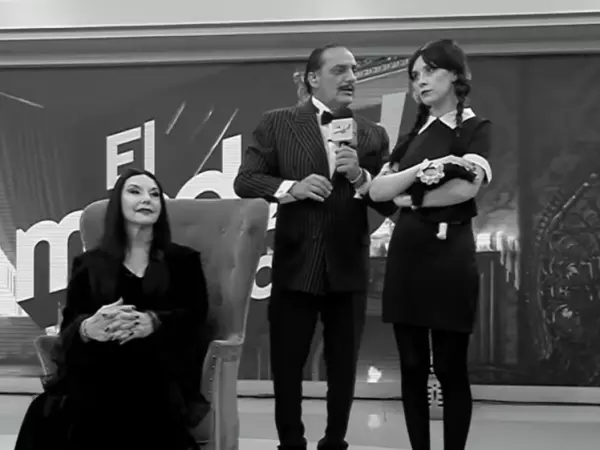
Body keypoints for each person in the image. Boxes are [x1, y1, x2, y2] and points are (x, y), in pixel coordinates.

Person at [234, 44, 396, 450]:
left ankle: (335, 440)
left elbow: (388, 202)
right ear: (312, 78)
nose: (351, 78)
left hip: (349, 265)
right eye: (340, 70)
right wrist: (292, 187)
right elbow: (246, 180)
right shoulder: (277, 123)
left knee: (343, 366)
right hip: (296, 263)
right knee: (287, 364)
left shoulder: (373, 134)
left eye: (354, 70)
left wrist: (360, 177)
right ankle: (291, 442)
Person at [15, 168, 210, 450]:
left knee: (130, 403)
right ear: (118, 203)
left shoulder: (183, 261)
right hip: (101, 368)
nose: (147, 199)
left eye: (154, 194)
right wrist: (87, 328)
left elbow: (196, 315)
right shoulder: (89, 264)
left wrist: (153, 322)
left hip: (158, 369)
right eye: (135, 191)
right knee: (49, 410)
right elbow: (70, 326)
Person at [369, 39, 493, 450]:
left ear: (455, 75)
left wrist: (412, 199)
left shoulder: (474, 128)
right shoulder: (411, 138)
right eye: (414, 75)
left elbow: (466, 187)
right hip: (407, 255)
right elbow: (378, 190)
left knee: (451, 367)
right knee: (412, 366)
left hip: (449, 256)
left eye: (429, 71)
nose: (420, 81)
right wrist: (422, 171)